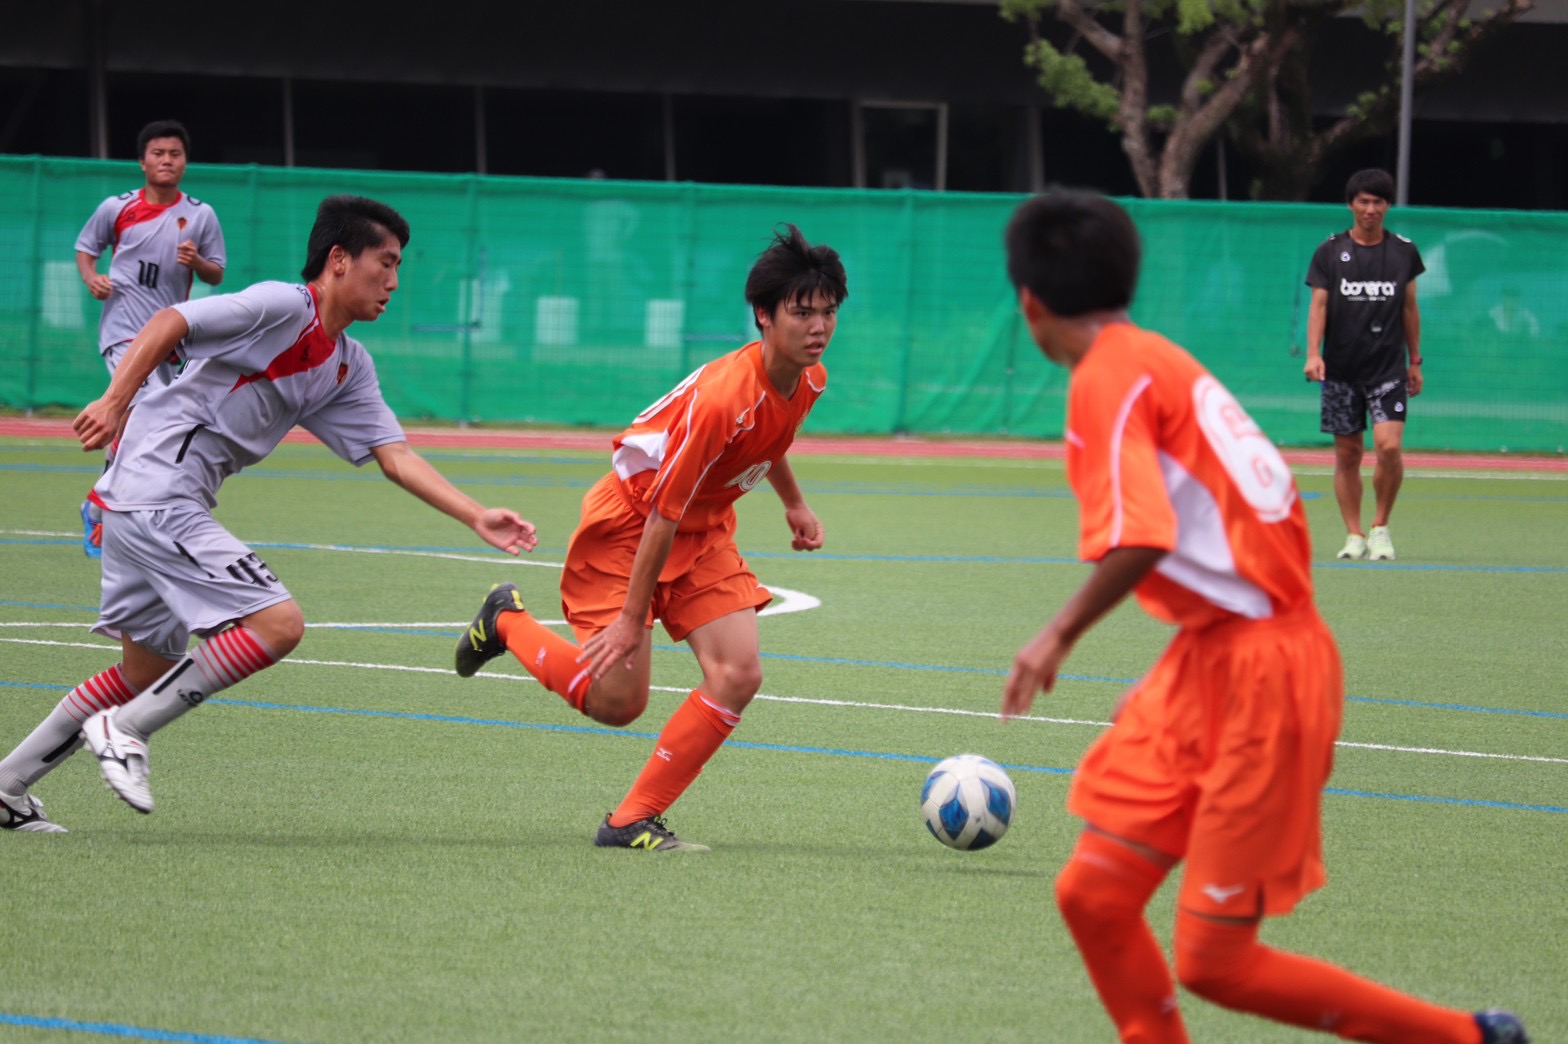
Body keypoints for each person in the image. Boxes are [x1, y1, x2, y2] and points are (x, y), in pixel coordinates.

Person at [999, 190, 1527, 1044]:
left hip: (1266, 672)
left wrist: (1055, 634)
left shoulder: (1106, 378)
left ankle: (1470, 1038)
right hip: (1217, 656)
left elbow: (1142, 535)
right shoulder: (1158, 358)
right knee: (1093, 895)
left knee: (1216, 962)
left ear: (1029, 302)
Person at [0, 195, 537, 832]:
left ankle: (7, 786)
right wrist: (116, 400)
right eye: (386, 262)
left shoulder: (347, 364)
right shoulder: (282, 306)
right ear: (339, 260)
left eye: (399, 267)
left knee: (144, 671)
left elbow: (394, 455)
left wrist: (475, 515)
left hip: (144, 499)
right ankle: (125, 730)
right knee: (278, 624)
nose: (394, 281)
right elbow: (171, 319)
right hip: (158, 490)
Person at [453, 224, 844, 852]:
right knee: (617, 703)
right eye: (803, 313)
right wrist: (634, 620)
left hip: (702, 530)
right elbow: (662, 512)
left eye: (828, 312)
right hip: (630, 527)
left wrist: (794, 503)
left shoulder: (810, 377)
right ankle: (505, 622)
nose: (819, 327)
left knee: (738, 673)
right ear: (764, 316)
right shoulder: (722, 399)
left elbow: (770, 439)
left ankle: (631, 820)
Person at [74, 119, 228, 559]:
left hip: (170, 337)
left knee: (147, 421)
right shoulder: (117, 208)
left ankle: (100, 505)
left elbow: (217, 271)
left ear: (185, 162)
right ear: (142, 162)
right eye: (158, 153)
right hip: (123, 330)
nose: (166, 160)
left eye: (174, 154)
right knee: (144, 410)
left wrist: (197, 262)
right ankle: (106, 510)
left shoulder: (200, 214)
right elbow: (86, 248)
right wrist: (91, 277)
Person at [1302, 168, 1424, 562]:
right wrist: (1313, 353)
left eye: (1378, 202)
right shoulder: (1329, 251)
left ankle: (1380, 527)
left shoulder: (1404, 251)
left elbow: (1409, 308)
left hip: (1388, 369)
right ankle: (1354, 534)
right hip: (1340, 370)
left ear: (1388, 206)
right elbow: (1319, 306)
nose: (1371, 209)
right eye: (1364, 202)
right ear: (1351, 205)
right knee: (1348, 454)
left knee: (1388, 446)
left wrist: (1415, 360)